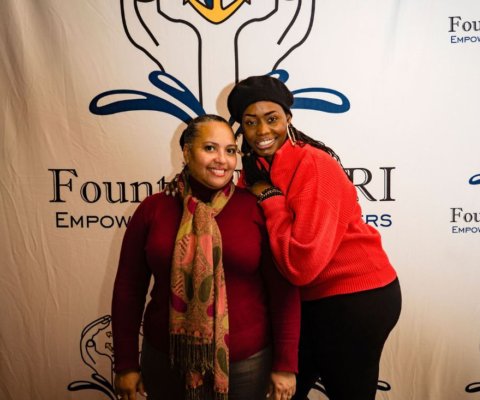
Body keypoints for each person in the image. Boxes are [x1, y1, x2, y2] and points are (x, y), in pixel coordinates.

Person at [227, 76, 402, 400]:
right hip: (307, 302)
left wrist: (271, 198)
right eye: (250, 122)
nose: (262, 131)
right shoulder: (256, 170)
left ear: (288, 119)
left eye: (272, 119)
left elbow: (300, 265)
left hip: (356, 298)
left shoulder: (314, 164)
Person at [111, 114, 300, 400]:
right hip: (167, 362)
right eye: (210, 148)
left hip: (246, 366)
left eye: (230, 150)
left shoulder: (255, 209)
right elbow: (128, 289)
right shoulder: (154, 209)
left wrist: (285, 365)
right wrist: (125, 364)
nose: (221, 160)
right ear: (186, 152)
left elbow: (283, 291)